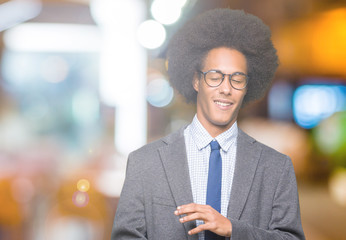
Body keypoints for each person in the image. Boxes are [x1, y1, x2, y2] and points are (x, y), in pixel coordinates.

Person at [111, 8, 305, 240]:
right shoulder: (145, 162)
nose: (226, 88)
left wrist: (234, 229)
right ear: (196, 80)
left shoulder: (276, 168)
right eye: (215, 76)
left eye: (237, 78)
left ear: (247, 88)